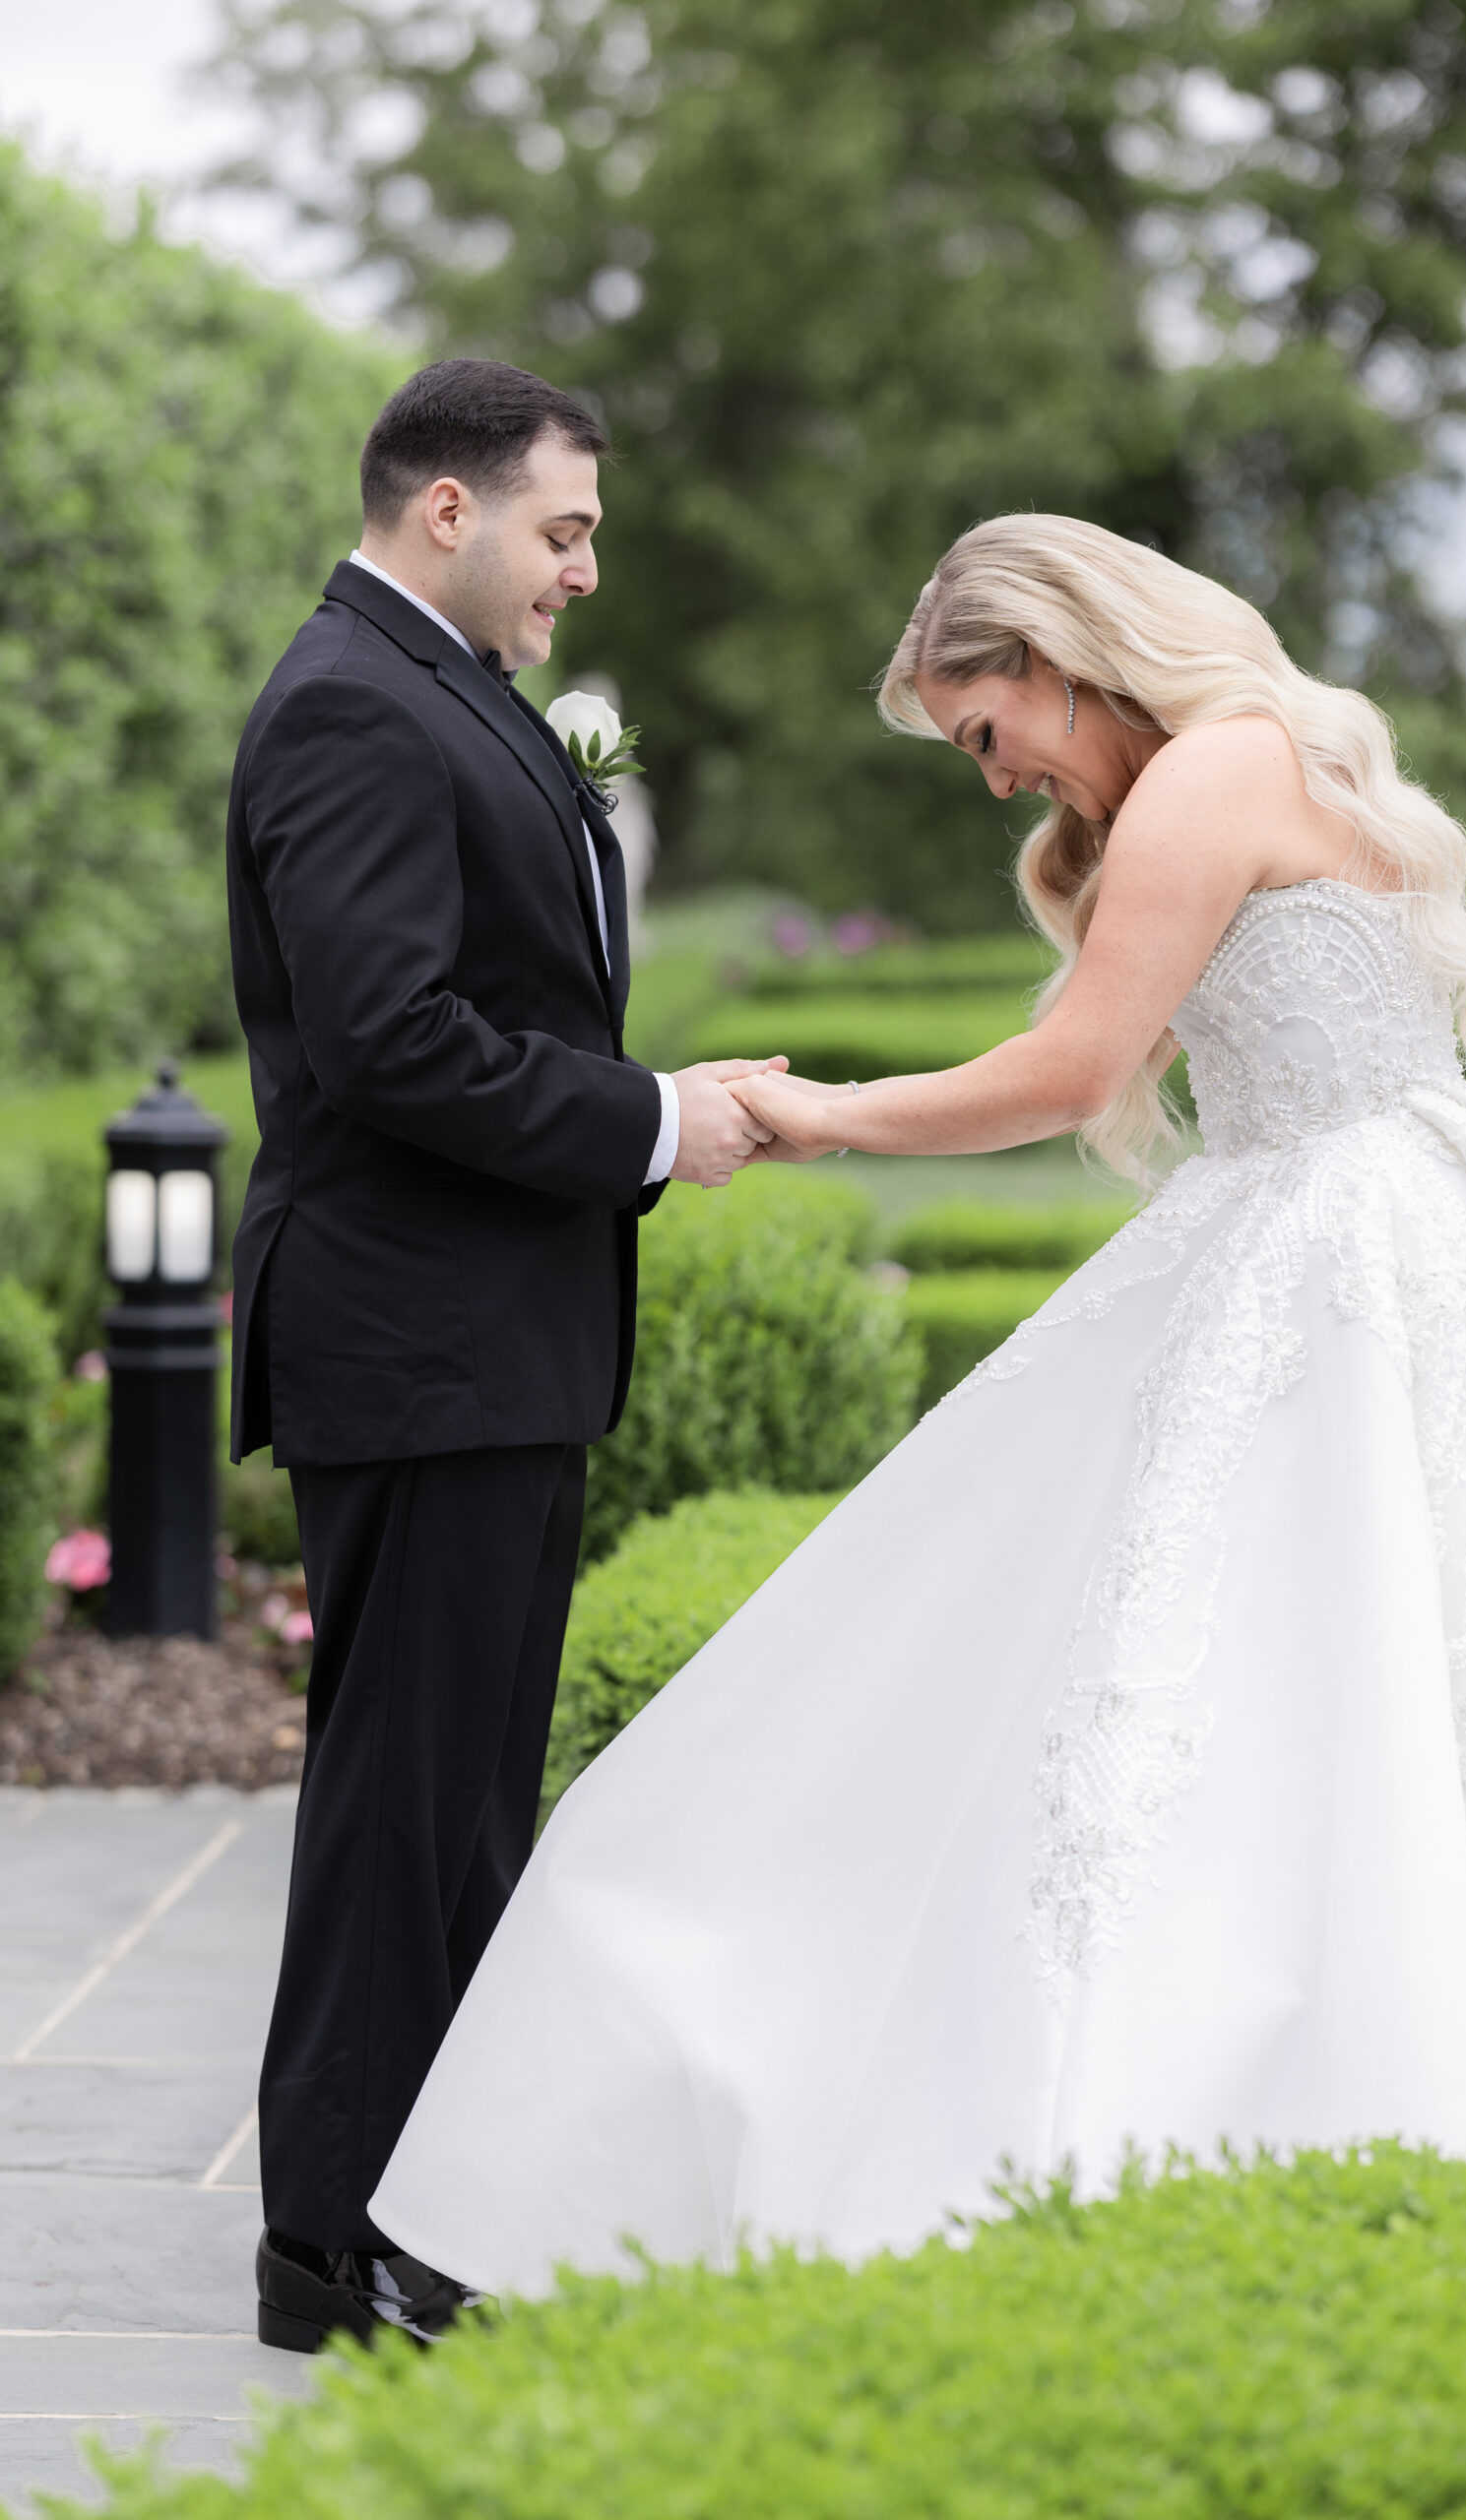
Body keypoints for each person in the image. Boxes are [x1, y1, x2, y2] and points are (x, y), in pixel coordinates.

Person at [369, 514, 1466, 2299]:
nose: (997, 785)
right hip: (1382, 1218)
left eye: (990, 735)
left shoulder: (1217, 768)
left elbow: (1071, 1071)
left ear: (1060, 653)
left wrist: (810, 1111)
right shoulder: (1251, 760)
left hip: (1351, 1254)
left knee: (1307, 1661)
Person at [226, 358, 784, 2352]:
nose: (584, 573)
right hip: (422, 1337)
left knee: (452, 1798)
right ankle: (351, 2246)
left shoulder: (434, 688)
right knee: (407, 1800)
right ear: (443, 510)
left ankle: (408, 2213)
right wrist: (646, 1121)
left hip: (483, 1340)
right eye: (564, 529)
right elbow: (387, 1041)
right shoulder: (355, 706)